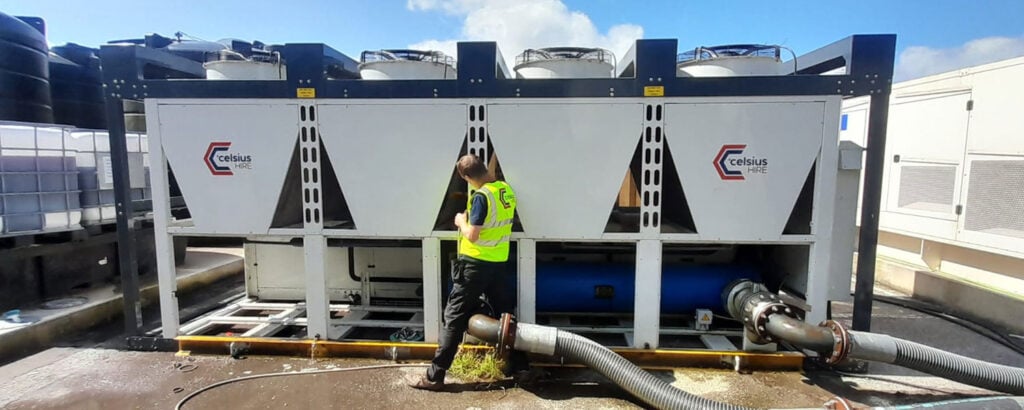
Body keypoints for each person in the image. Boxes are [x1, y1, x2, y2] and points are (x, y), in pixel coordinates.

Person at [408, 154, 530, 390]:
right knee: (506, 316)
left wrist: (460, 221)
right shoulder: (504, 190)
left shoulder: (482, 197)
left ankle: (435, 376)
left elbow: (473, 234)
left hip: (475, 264)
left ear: (465, 176)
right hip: (498, 263)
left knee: (454, 317)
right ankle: (522, 368)